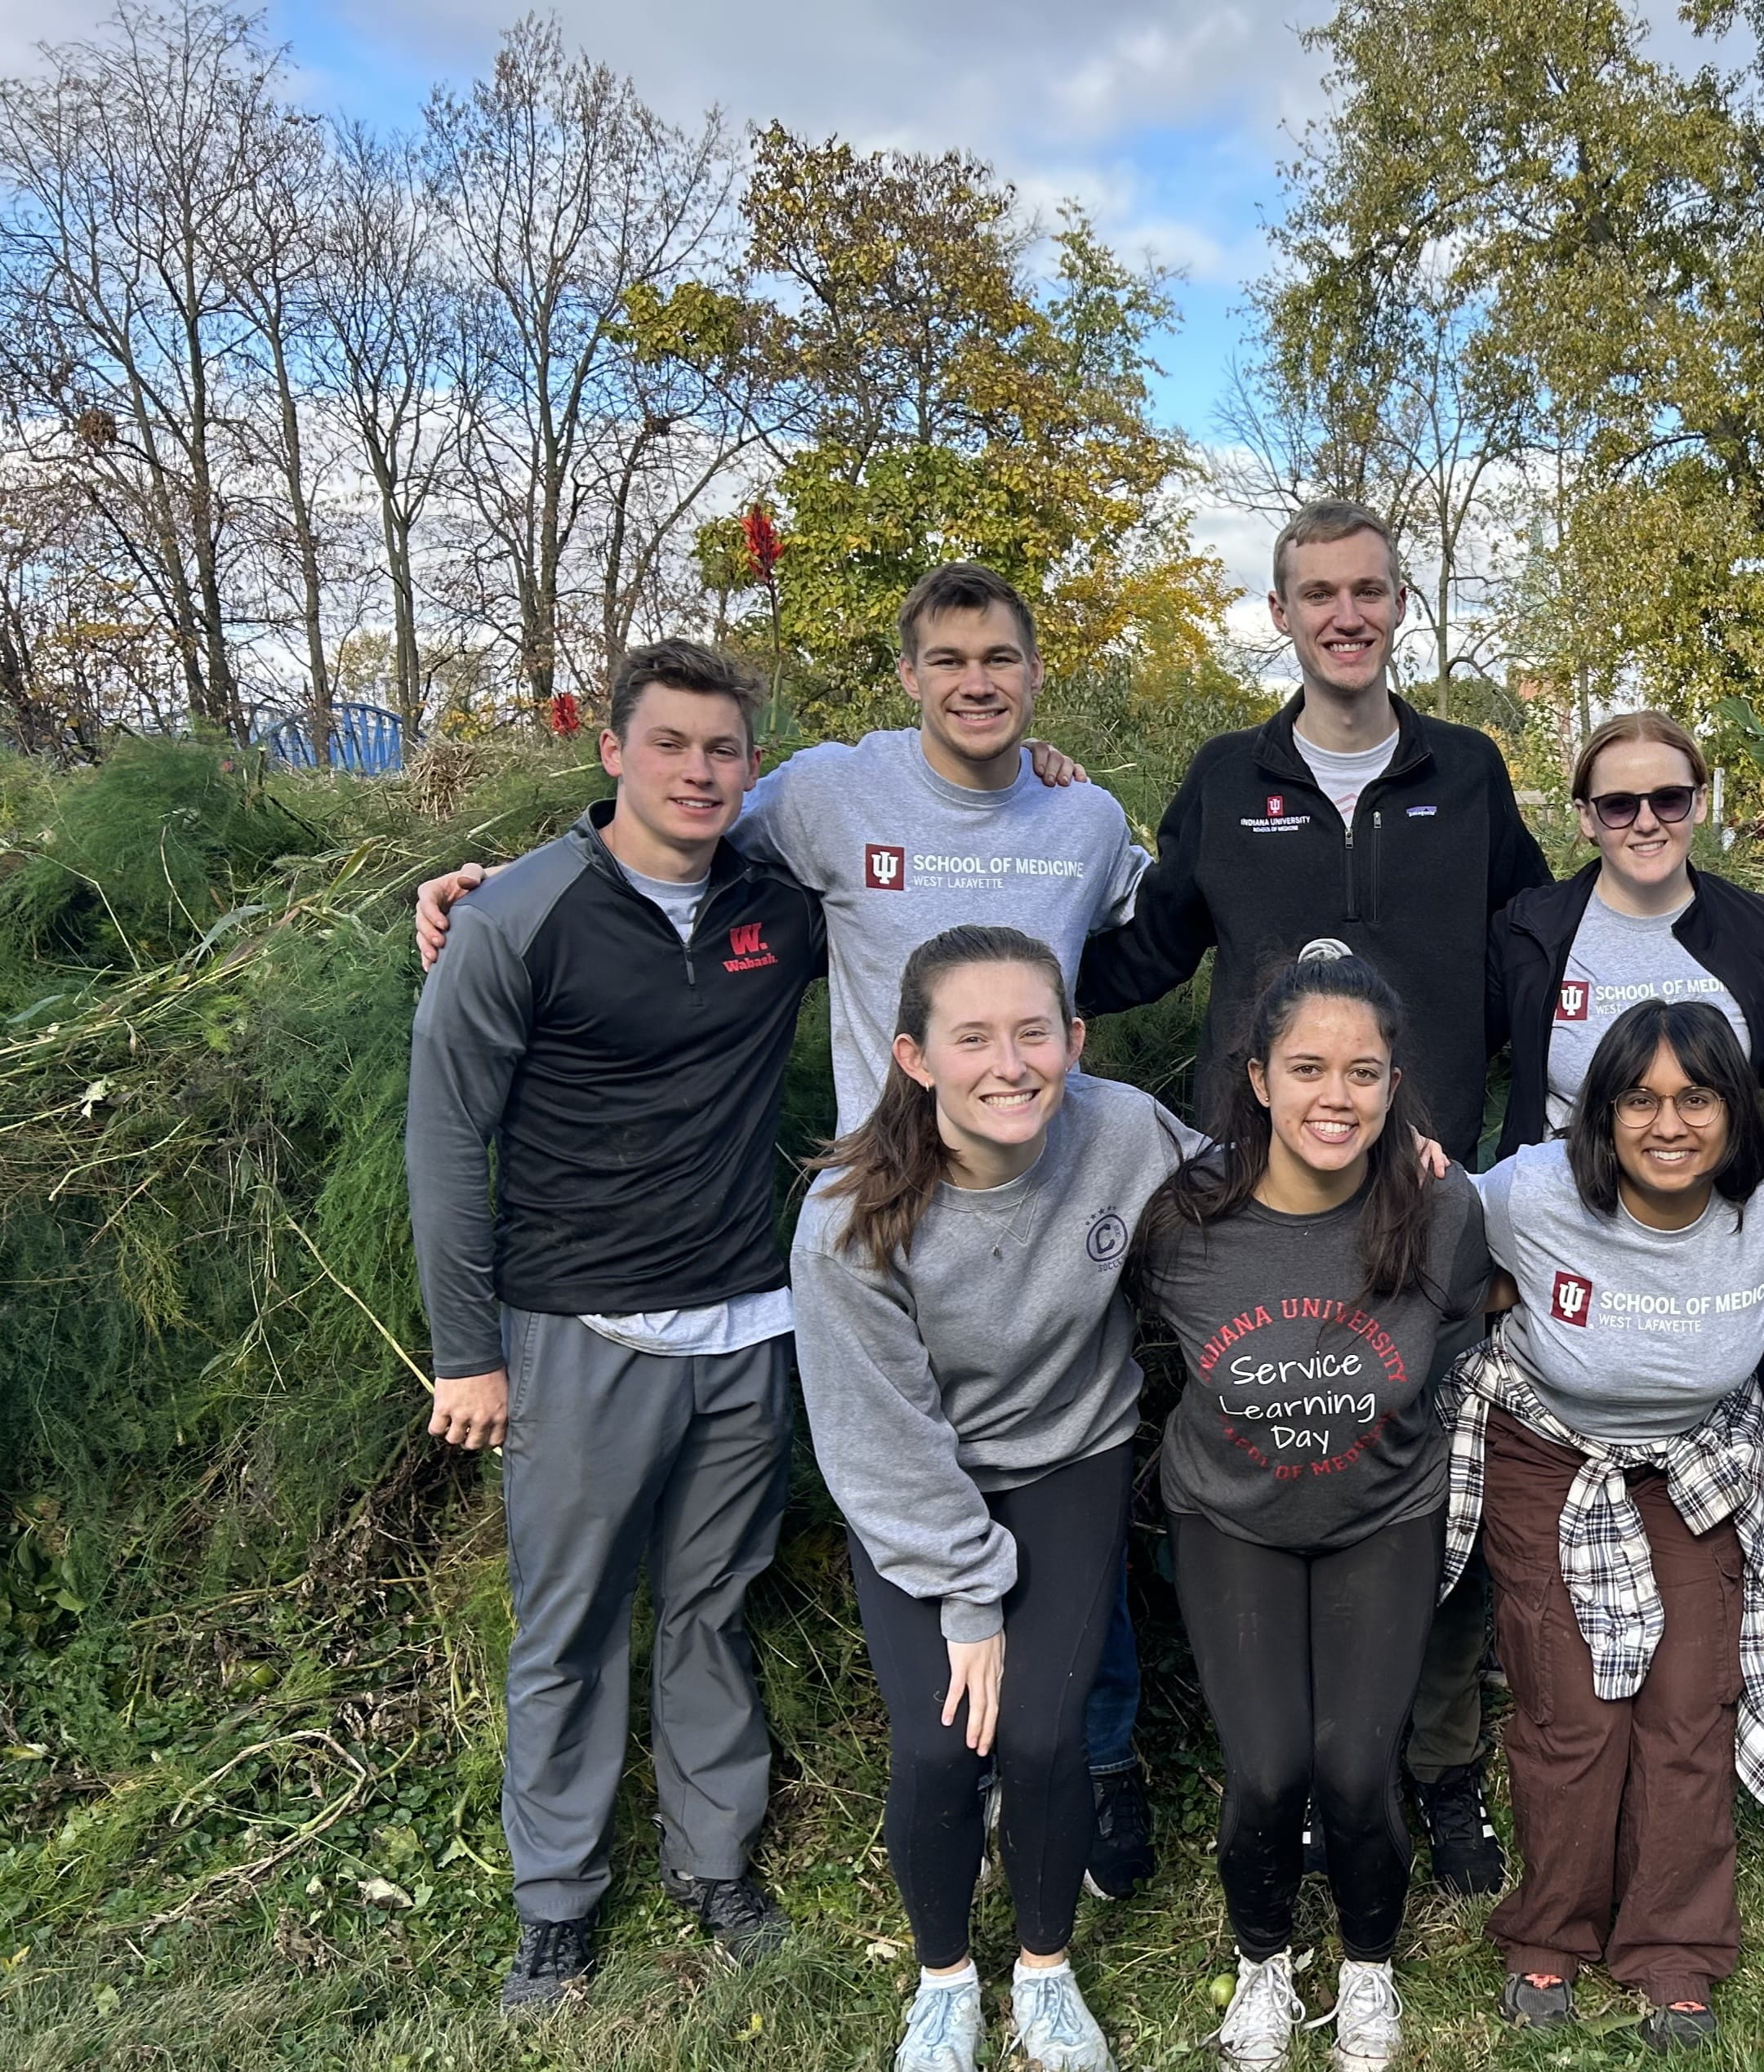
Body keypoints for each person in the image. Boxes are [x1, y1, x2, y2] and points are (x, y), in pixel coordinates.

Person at [414, 564, 1170, 1899]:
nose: (976, 682)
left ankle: (1084, 1764)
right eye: (948, 659)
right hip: (877, 1227)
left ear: (1034, 671)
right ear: (908, 674)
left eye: (999, 658)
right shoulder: (821, 797)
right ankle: (923, 1775)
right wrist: (489, 886)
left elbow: (1159, 923)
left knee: (1068, 1482)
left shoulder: (1084, 814)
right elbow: (651, 841)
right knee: (889, 1499)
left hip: (1023, 1215)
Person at [1085, 498, 1552, 1893]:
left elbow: (1543, 954)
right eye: (1315, 592)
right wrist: (966, 979)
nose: (1343, 612)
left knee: (1433, 1476)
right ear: (1280, 614)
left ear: (1400, 603)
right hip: (1264, 1200)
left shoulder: (1465, 775)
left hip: (1420, 1194)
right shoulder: (1228, 777)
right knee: (1275, 1460)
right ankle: (1281, 1770)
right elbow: (1138, 953)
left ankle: (1440, 1767)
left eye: (1367, 589)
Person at [407, 639, 823, 2010]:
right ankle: (557, 1901)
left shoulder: (777, 908)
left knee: (710, 1608)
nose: (699, 771)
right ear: (613, 752)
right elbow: (446, 1141)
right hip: (576, 1333)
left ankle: (717, 1866)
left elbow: (929, 868)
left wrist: (1041, 773)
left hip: (746, 1326)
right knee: (571, 1627)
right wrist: (466, 1348)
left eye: (723, 750)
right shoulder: (516, 917)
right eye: (671, 745)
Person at [793, 928, 1199, 2072]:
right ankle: (942, 1979)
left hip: (1071, 1460)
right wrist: (971, 1599)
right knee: (937, 1746)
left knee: (1039, 1734)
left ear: (1073, 1041)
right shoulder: (847, 1218)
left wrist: (1403, 1171)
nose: (1008, 1063)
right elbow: (881, 1438)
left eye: (1034, 1033)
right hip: (921, 1484)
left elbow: (1249, 1199)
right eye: (973, 1037)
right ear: (915, 1057)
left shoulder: (1121, 1130)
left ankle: (1044, 1969)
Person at [1452, 1000, 1764, 2051]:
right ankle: (1550, 1929)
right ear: (1602, 1112)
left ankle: (1673, 1949)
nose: (1668, 1122)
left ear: (1738, 1110)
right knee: (1574, 1709)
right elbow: (1430, 1219)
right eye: (1639, 1097)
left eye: (1697, 1096)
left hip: (1695, 1459)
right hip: (1551, 1454)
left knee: (1688, 1704)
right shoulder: (1535, 1191)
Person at [1133, 952, 1493, 2072]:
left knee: (1352, 1765)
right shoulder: (1185, 1223)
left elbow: (1474, 1342)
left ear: (1394, 1087)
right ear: (1256, 1078)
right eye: (1306, 1068)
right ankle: (1262, 1962)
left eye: (1363, 1072)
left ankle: (1367, 1968)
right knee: (1268, 1768)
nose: (1335, 1096)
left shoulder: (1440, 1210)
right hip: (1231, 1516)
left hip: (1380, 1513)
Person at [1488, 709, 1764, 1478]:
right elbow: (1448, 1055)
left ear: (1699, 803)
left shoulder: (1753, 928)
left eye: (1668, 800)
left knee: (1732, 1515)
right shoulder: (1533, 930)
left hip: (1713, 1256)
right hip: (1576, 1240)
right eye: (1618, 805)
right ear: (1585, 819)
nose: (1646, 822)